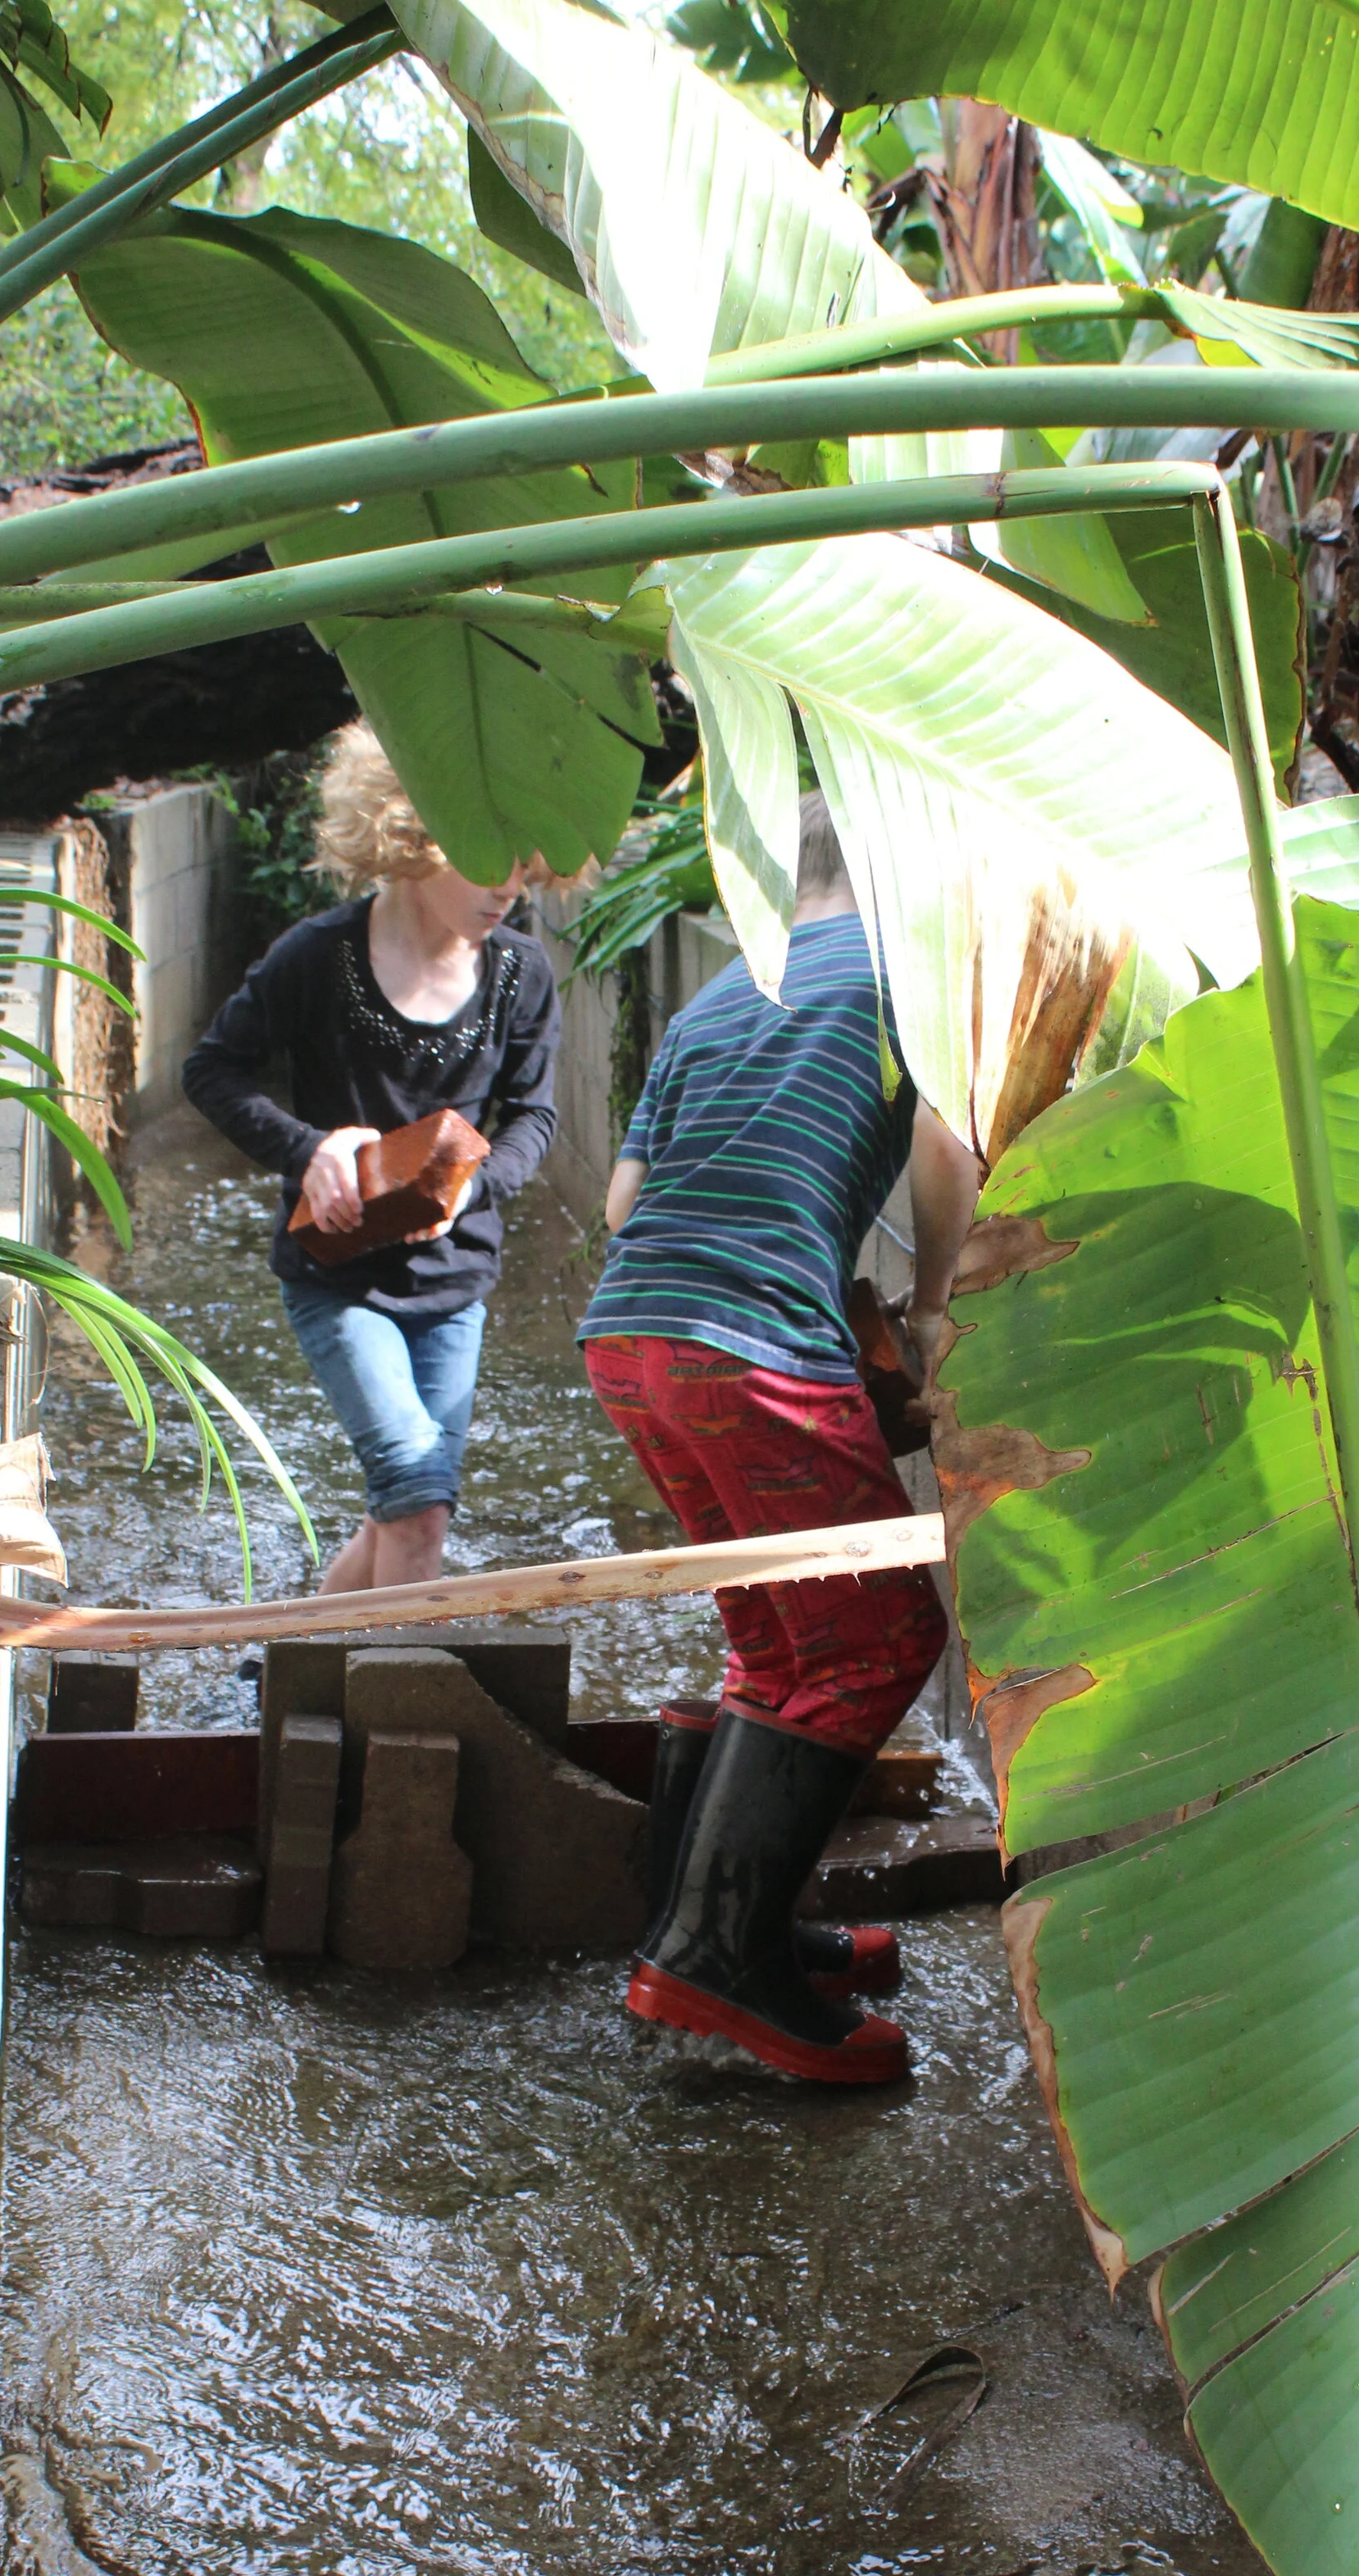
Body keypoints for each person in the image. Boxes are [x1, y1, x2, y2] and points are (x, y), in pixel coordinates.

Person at [580, 792, 982, 2092]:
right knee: (882, 1636)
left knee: (781, 1635)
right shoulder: (907, 971)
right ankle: (716, 1951)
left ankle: (704, 1929)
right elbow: (944, 1142)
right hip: (747, 1342)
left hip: (631, 1338)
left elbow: (621, 1198)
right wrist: (932, 1315)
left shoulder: (716, 995)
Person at [184, 725, 565, 1589]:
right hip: (339, 1281)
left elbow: (534, 1118)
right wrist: (308, 1147)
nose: (508, 886)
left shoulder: (522, 973)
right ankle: (396, 1706)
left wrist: (469, 1189)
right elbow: (210, 1070)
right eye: (484, 859)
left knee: (404, 1505)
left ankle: (293, 1661)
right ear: (409, 837)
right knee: (420, 1500)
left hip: (456, 1286)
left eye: (520, 863)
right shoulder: (317, 958)